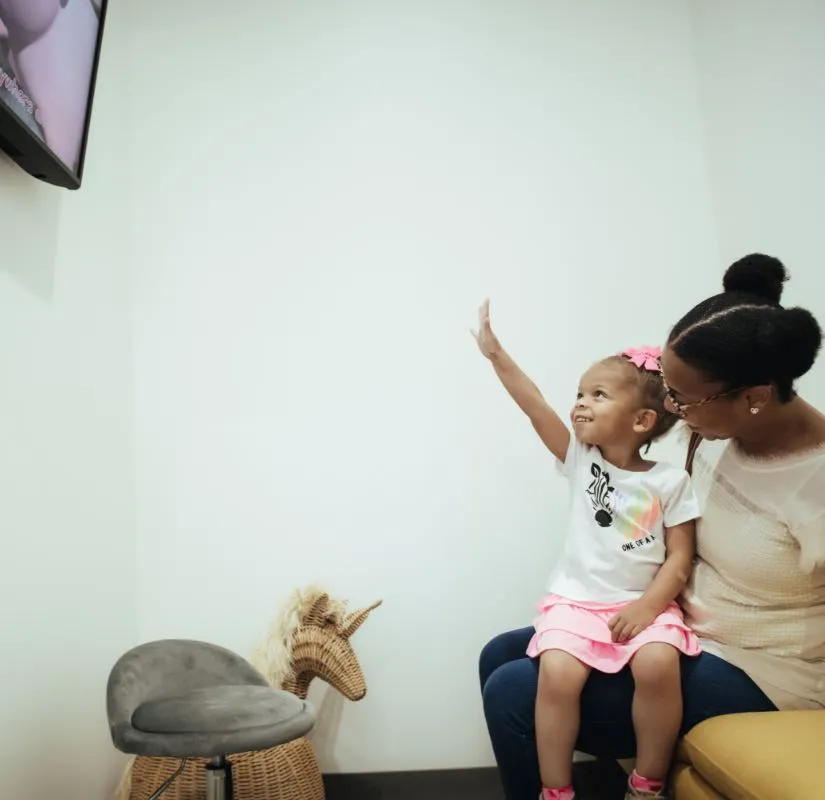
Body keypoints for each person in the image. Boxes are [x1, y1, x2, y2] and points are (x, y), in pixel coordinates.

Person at [479, 254, 825, 800]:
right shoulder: (712, 434)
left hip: (761, 670)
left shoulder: (817, 485)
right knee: (498, 653)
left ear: (755, 398)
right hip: (679, 621)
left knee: (511, 691)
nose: (671, 411)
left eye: (682, 400)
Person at [473, 301, 701, 799]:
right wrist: (496, 355)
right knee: (556, 672)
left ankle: (646, 782)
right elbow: (535, 406)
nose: (580, 402)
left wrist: (647, 607)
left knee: (659, 664)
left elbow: (679, 558)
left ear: (643, 420)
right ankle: (556, 790)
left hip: (646, 604)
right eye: (579, 392)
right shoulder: (581, 460)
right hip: (577, 603)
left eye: (598, 394)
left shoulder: (670, 480)